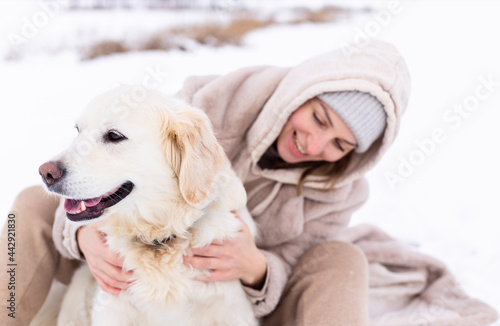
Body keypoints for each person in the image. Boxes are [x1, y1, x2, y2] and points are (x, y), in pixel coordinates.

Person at [1, 40, 410, 325]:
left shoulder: (342, 194)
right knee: (31, 206)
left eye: (341, 143)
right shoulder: (209, 101)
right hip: (141, 253)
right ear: (301, 91)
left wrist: (258, 268)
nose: (315, 143)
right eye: (319, 119)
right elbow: (132, 162)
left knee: (344, 258)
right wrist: (85, 232)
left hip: (238, 297)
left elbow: (302, 261)